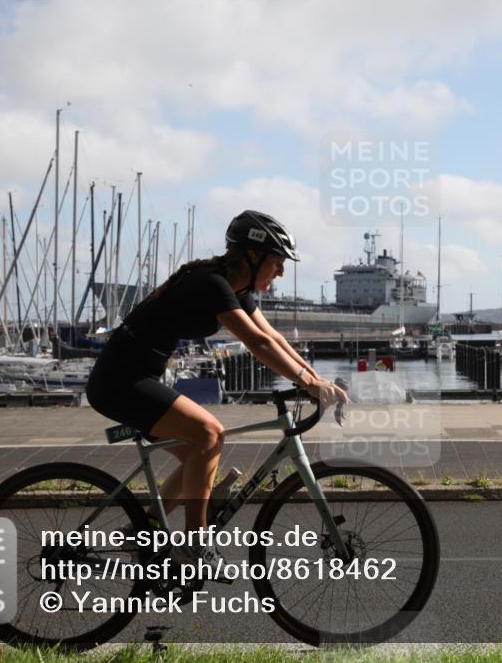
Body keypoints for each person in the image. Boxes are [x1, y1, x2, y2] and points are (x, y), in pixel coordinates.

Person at [85, 210, 349, 557]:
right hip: (118, 381)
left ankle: (144, 530)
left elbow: (273, 337)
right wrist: (307, 383)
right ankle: (197, 546)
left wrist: (315, 379)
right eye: (277, 262)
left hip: (138, 376)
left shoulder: (237, 290)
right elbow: (258, 344)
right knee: (210, 433)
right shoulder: (211, 284)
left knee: (200, 454)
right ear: (252, 256)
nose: (282, 271)